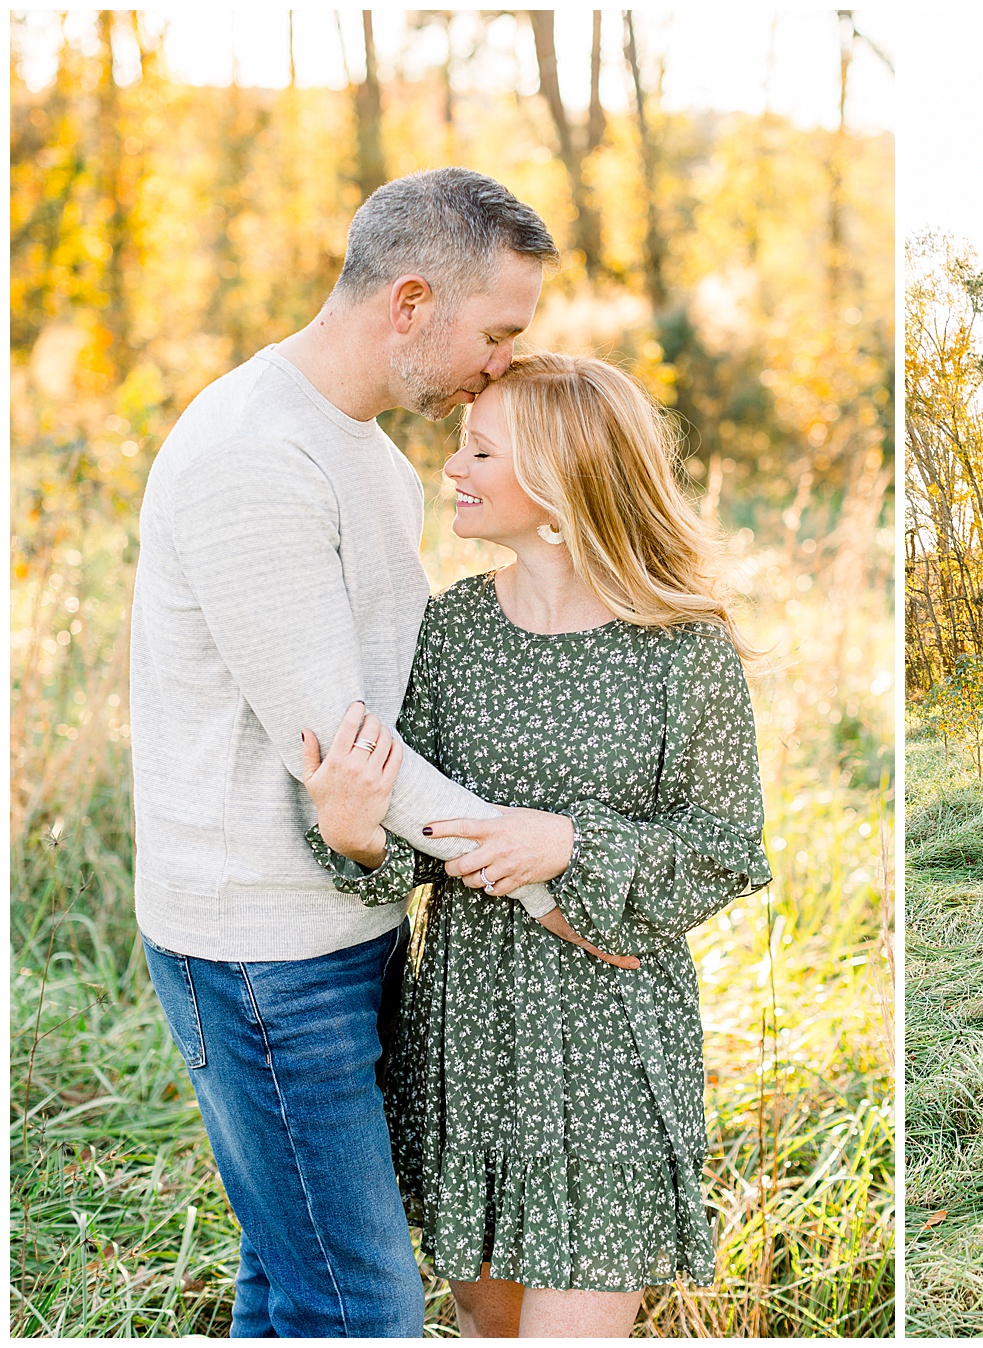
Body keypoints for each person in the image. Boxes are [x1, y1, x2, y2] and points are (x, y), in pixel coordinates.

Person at [130, 169, 610, 1337]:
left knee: (291, 1276)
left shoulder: (374, 457)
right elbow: (354, 753)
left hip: (348, 917)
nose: (503, 364)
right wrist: (560, 884)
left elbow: (400, 722)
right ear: (409, 302)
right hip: (259, 952)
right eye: (497, 332)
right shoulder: (252, 455)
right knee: (362, 1306)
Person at [300, 351, 771, 1338]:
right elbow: (406, 834)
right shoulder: (452, 630)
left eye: (480, 449)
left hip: (611, 1039)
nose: (452, 469)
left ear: (561, 474)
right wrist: (352, 838)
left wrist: (566, 841)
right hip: (468, 1035)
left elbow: (726, 847)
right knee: (488, 1325)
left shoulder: (683, 647)